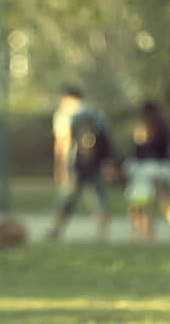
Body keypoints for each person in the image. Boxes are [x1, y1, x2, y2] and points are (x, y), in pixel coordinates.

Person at [48, 86, 115, 241]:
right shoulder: (97, 114)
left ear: (67, 98)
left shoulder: (65, 115)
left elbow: (62, 143)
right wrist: (109, 163)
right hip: (97, 163)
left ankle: (56, 231)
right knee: (100, 199)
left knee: (66, 200)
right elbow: (107, 141)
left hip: (76, 164)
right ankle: (102, 235)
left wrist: (60, 167)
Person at [122, 101, 170, 243]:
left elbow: (138, 149)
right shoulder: (167, 127)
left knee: (142, 205)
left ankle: (147, 237)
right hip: (165, 169)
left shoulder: (143, 127)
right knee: (169, 205)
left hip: (145, 170)